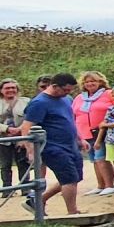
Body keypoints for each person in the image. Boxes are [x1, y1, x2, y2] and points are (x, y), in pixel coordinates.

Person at [20, 73, 85, 215]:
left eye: (70, 90)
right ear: (54, 86)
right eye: (65, 90)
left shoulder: (66, 99)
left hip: (70, 144)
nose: (68, 93)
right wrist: (30, 150)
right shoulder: (39, 103)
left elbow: (70, 120)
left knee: (77, 176)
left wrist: (81, 138)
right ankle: (72, 211)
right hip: (52, 146)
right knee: (69, 177)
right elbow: (26, 127)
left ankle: (38, 200)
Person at [73, 70, 114, 194]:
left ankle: (109, 185)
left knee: (101, 157)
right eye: (87, 82)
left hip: (102, 131)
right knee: (94, 160)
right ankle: (100, 185)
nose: (90, 84)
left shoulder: (108, 94)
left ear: (100, 82)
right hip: (85, 133)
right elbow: (74, 113)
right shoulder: (80, 97)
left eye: (93, 81)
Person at [0, 78, 31, 199]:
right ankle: (7, 189)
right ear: (1, 90)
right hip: (3, 138)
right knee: (5, 164)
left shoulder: (26, 102)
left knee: (23, 162)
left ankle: (25, 187)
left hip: (21, 136)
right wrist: (6, 129)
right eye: (7, 88)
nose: (10, 90)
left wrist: (20, 129)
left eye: (13, 88)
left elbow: (31, 117)